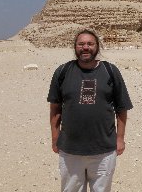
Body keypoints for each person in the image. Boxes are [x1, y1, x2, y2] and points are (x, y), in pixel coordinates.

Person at [48, 28, 133, 192]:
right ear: (75, 47)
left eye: (90, 44)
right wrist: (55, 138)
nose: (85, 47)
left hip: (104, 150)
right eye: (81, 44)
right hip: (70, 149)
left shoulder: (111, 71)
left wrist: (120, 138)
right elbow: (55, 109)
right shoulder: (62, 72)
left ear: (97, 46)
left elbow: (122, 108)